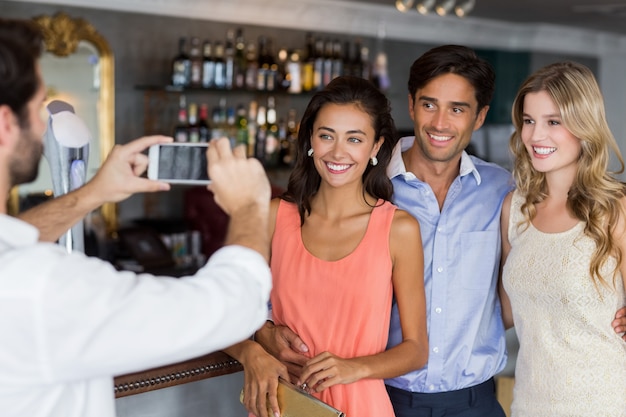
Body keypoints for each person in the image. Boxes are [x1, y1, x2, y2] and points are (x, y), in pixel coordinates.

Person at [254, 45, 626, 417]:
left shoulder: (503, 194)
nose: (440, 123)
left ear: (479, 117)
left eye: (458, 109)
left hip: (476, 401)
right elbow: (306, 264)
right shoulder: (362, 182)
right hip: (380, 395)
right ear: (411, 105)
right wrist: (265, 327)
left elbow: (522, 294)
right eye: (429, 105)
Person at [0, 18, 272, 417]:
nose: (44, 125)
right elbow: (227, 308)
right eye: (38, 107)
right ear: (6, 124)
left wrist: (93, 193)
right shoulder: (36, 287)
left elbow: (13, 239)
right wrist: (251, 206)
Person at [225, 75, 428, 417]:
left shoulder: (398, 229)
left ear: (376, 147)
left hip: (362, 406)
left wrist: (354, 368)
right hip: (285, 405)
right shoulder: (275, 217)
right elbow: (220, 312)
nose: (337, 152)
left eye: (354, 139)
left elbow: (416, 349)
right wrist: (255, 348)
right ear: (310, 140)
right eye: (326, 136)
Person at [499, 61, 626, 416]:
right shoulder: (515, 209)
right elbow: (505, 312)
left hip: (603, 404)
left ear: (584, 126)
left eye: (553, 122)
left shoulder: (615, 209)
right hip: (529, 403)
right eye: (529, 120)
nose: (536, 136)